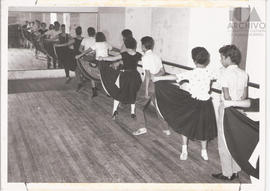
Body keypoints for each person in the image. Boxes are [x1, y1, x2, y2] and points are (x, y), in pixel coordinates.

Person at [152, 47, 218, 161]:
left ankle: (185, 150)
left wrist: (157, 78)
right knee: (203, 127)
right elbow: (219, 74)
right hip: (202, 104)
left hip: (197, 103)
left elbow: (175, 76)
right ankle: (201, 151)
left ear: (194, 60)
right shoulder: (209, 73)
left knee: (186, 125)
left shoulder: (192, 73)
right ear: (206, 60)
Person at [212, 45, 249, 181]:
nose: (221, 60)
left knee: (224, 141)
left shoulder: (225, 73)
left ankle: (227, 173)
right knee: (235, 140)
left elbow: (226, 96)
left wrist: (229, 106)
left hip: (227, 109)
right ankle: (236, 170)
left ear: (228, 58)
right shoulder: (244, 73)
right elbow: (245, 95)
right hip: (239, 109)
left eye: (222, 57)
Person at [98, 37, 142, 119]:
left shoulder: (124, 54)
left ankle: (114, 111)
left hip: (125, 76)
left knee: (119, 92)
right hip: (134, 76)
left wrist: (102, 58)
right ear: (135, 45)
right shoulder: (138, 54)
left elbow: (112, 58)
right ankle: (132, 113)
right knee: (133, 92)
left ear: (126, 45)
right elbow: (145, 59)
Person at [132, 36, 166, 136]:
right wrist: (155, 77)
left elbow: (147, 75)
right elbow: (162, 71)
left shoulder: (145, 57)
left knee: (138, 105)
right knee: (158, 107)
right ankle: (166, 129)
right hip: (158, 84)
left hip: (149, 84)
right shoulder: (157, 56)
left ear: (143, 46)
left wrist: (146, 90)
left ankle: (142, 128)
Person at [75, 27, 98, 96]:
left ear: (88, 33)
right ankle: (94, 88)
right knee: (92, 72)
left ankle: (80, 84)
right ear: (94, 33)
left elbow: (80, 49)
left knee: (77, 70)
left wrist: (86, 53)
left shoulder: (85, 39)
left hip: (86, 57)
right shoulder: (97, 40)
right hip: (95, 58)